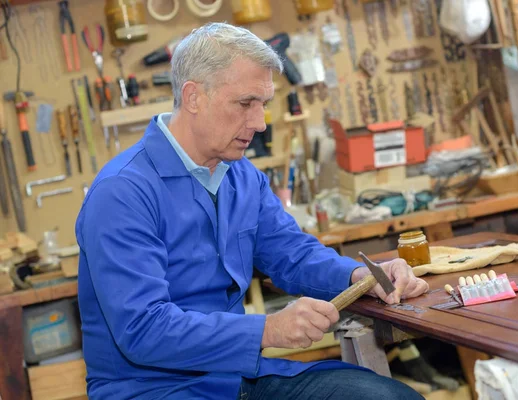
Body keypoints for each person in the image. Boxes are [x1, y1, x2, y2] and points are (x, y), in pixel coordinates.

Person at [76, 22, 429, 400]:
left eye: (263, 105)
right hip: (151, 389)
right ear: (194, 97)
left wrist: (361, 276)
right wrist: (268, 330)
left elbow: (292, 254)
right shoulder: (122, 192)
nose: (259, 123)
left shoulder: (241, 176)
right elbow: (143, 329)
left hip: (238, 375)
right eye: (246, 103)